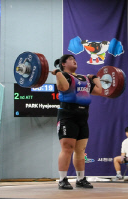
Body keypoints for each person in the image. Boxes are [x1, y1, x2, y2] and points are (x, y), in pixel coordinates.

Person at [52, 54, 102, 190]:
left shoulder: (84, 78)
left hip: (83, 116)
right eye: (70, 59)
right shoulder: (64, 76)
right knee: (67, 148)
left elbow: (100, 91)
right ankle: (62, 179)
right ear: (63, 64)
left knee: (80, 150)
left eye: (75, 59)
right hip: (68, 115)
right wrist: (57, 73)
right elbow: (63, 87)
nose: (74, 61)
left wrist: (95, 78)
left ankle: (80, 179)